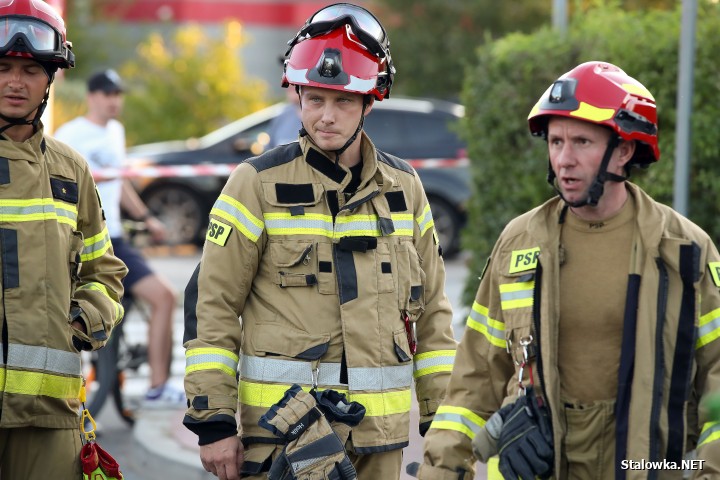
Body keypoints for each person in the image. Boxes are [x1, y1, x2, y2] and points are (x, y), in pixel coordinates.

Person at [183, 3, 458, 479]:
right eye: (315, 100)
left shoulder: (405, 188)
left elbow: (432, 314)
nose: (326, 117)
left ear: (369, 102)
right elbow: (213, 306)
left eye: (343, 101)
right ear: (298, 97)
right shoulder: (255, 184)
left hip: (381, 443)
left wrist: (443, 421)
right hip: (283, 441)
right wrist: (214, 422)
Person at [414, 61, 720, 479]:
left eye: (581, 142)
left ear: (625, 150)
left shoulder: (685, 250)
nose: (564, 159)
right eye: (555, 142)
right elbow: (475, 378)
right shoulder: (520, 242)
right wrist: (443, 471)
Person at [0, 0, 127, 478]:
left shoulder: (71, 170)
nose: (16, 81)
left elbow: (105, 270)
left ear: (50, 78)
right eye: (4, 67)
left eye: (31, 69)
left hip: (49, 415)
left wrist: (79, 322)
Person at [55, 69, 183, 407]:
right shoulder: (71, 134)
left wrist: (146, 218)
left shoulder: (116, 131)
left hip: (115, 238)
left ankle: (156, 388)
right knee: (68, 313)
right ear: (93, 96)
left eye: (118, 94)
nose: (115, 101)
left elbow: (120, 182)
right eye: (108, 94)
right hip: (79, 239)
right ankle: (68, 393)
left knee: (165, 297)